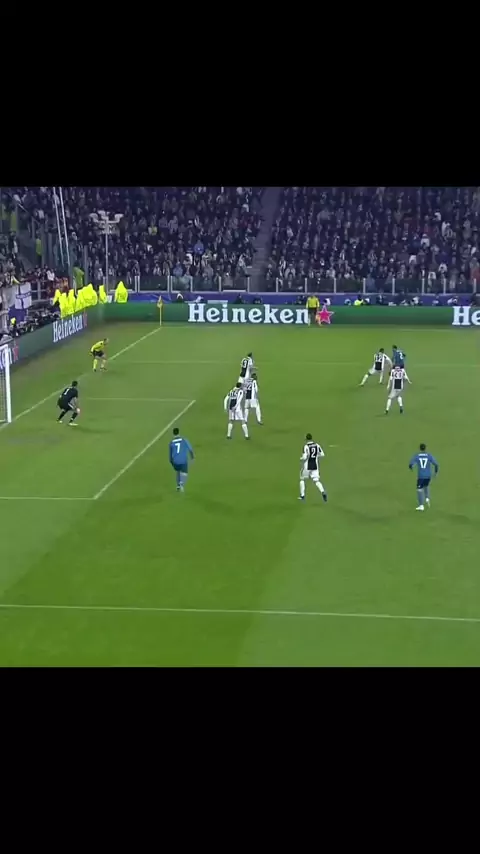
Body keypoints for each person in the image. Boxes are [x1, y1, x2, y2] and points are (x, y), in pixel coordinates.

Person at [409, 443, 439, 511]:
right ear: (425, 448)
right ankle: (427, 498)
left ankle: (421, 506)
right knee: (426, 485)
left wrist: (411, 468)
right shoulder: (429, 455)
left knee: (419, 490)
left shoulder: (417, 456)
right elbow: (436, 464)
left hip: (421, 476)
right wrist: (436, 472)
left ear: (420, 448)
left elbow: (410, 464)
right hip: (428, 476)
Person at [299, 433, 327, 502]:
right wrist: (316, 456)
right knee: (316, 480)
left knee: (302, 479)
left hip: (307, 465)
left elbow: (305, 457)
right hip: (315, 466)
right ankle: (323, 491)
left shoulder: (306, 446)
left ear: (306, 439)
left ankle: (302, 496)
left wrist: (301, 458)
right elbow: (322, 454)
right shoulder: (317, 445)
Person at [169, 427, 194, 492]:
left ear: (173, 434)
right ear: (179, 432)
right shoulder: (184, 440)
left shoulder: (171, 443)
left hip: (175, 462)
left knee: (178, 471)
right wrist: (192, 458)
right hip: (183, 461)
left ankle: (178, 485)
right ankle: (181, 484)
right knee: (185, 474)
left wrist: (172, 463)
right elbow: (190, 450)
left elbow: (170, 457)